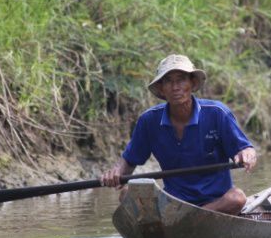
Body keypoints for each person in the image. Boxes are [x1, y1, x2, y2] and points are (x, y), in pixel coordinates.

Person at [101, 54, 257, 215]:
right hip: (174, 203)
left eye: (181, 79)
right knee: (126, 195)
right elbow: (129, 161)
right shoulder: (149, 121)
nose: (175, 87)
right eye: (168, 81)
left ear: (192, 83)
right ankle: (183, 218)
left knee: (237, 198)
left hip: (216, 203)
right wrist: (116, 173)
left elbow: (246, 149)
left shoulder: (217, 113)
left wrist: (246, 155)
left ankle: (190, 217)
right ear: (162, 88)